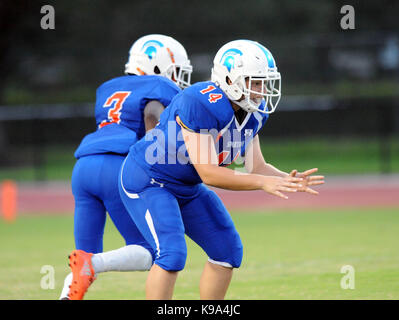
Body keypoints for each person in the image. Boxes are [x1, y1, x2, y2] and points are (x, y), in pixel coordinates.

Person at [115, 39, 325, 300]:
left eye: (264, 82)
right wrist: (261, 183)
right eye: (255, 82)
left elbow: (256, 166)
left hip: (185, 186)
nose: (262, 90)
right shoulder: (201, 102)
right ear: (229, 78)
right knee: (172, 253)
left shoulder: (254, 113)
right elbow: (210, 173)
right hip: (149, 180)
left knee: (226, 250)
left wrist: (285, 179)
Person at [59, 34, 192, 300]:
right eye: (176, 71)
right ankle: (94, 265)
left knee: (83, 258)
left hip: (84, 167)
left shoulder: (108, 86)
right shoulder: (157, 84)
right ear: (157, 66)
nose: (178, 78)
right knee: (149, 252)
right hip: (118, 166)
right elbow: (174, 117)